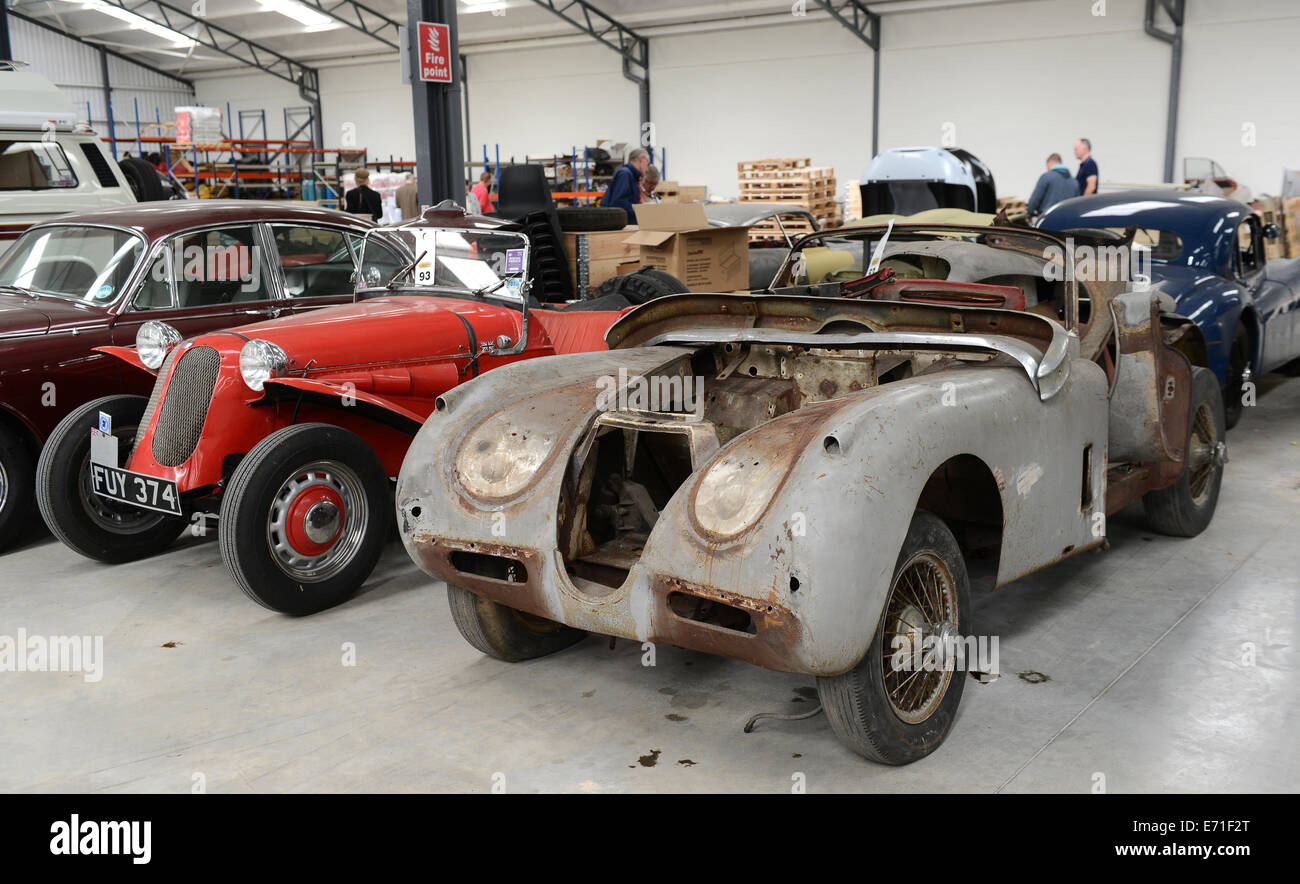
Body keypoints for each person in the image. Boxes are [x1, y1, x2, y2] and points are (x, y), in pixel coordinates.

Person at [601, 147, 649, 217]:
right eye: (647, 164)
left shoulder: (632, 176)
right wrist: (639, 211)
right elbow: (619, 202)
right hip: (622, 221)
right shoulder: (625, 174)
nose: (647, 169)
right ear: (642, 159)